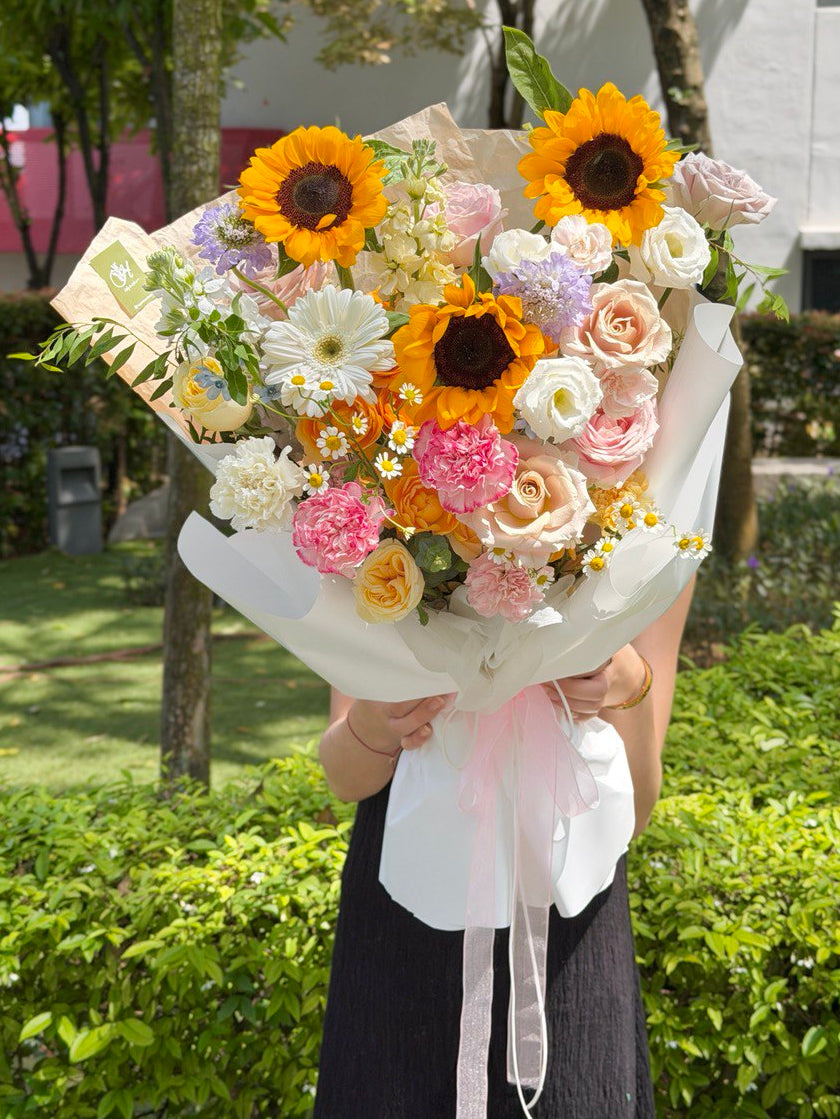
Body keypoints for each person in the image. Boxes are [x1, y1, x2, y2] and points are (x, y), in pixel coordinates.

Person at [312, 577, 696, 1119]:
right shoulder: (385, 516)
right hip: (405, 907)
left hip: (571, 916)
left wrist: (626, 682)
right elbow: (345, 778)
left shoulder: (647, 525)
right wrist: (374, 724)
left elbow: (638, 809)